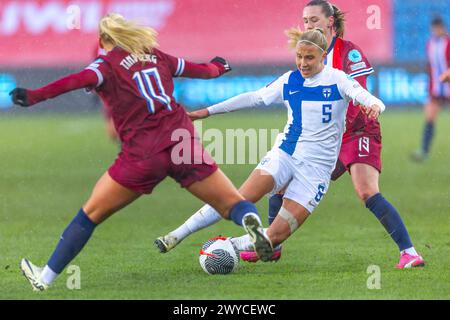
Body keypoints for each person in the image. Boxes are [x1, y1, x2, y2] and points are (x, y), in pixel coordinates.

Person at [10, 13, 272, 291]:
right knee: (231, 202)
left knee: (91, 213)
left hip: (144, 154)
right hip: (181, 141)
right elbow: (202, 71)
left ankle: (45, 276)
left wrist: (34, 96)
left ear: (103, 40)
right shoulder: (155, 56)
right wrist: (220, 66)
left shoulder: (104, 66)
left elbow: (73, 81)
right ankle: (248, 220)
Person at [156, 0, 425, 269]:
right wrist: (208, 111)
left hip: (353, 133)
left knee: (366, 192)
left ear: (329, 22)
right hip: (293, 150)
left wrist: (373, 104)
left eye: (313, 20)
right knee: (251, 194)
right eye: (305, 21)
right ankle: (218, 239)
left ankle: (408, 251)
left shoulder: (345, 59)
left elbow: (360, 92)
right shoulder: (292, 76)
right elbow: (256, 97)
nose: (308, 25)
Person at [411, 16, 450, 162]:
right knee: (429, 119)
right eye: (434, 28)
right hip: (435, 88)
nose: (437, 31)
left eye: (439, 28)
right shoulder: (430, 44)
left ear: (443, 28)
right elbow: (431, 66)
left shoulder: (448, 42)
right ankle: (423, 151)